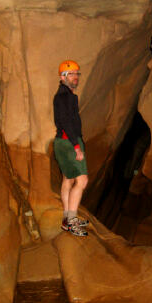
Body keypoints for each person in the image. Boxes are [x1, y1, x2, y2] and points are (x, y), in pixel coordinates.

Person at [53, 60, 89, 237]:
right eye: (71, 74)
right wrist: (76, 146)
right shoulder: (64, 97)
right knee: (81, 181)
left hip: (63, 141)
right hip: (68, 143)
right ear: (62, 77)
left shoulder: (66, 95)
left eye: (77, 73)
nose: (75, 77)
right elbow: (67, 122)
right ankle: (72, 221)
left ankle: (67, 220)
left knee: (68, 180)